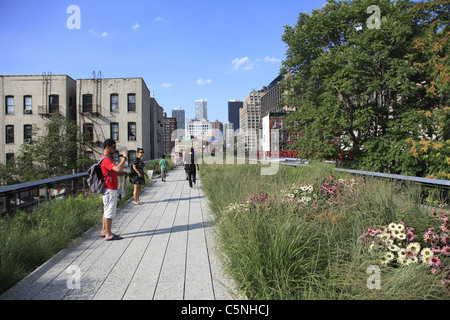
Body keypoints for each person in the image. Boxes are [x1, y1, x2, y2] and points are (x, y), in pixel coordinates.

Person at [100, 139, 127, 241]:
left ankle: (104, 231)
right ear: (108, 148)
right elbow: (118, 168)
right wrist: (124, 157)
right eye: (114, 147)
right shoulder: (106, 159)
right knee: (109, 211)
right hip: (109, 188)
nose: (115, 150)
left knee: (106, 210)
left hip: (108, 188)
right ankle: (109, 234)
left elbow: (113, 171)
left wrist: (116, 173)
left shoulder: (105, 158)